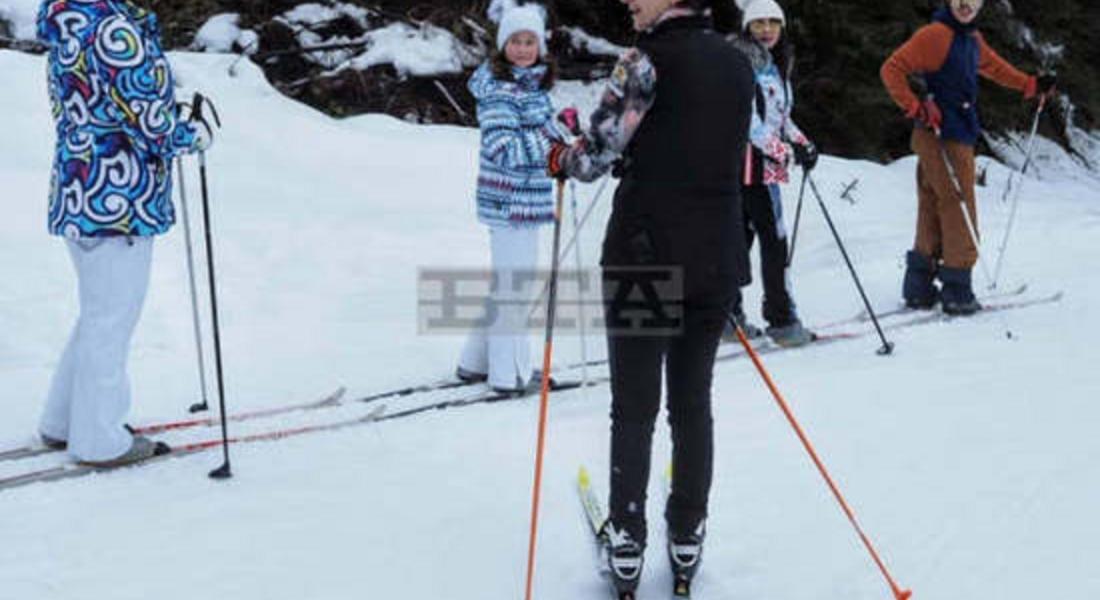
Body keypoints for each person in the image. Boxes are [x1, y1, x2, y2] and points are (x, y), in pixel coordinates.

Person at [549, 0, 753, 594]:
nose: (628, 2)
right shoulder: (738, 61)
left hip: (647, 254)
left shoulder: (642, 63)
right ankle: (687, 530)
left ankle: (630, 535)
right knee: (693, 403)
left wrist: (562, 157)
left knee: (635, 406)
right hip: (716, 256)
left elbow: (597, 153)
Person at [37, 0, 209, 466]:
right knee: (111, 318)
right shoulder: (116, 31)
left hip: (78, 186)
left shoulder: (68, 28)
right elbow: (153, 122)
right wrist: (192, 136)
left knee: (99, 312)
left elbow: (75, 108)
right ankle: (98, 439)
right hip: (120, 195)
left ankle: (63, 420)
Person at [881, 0, 1055, 315]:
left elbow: (994, 67)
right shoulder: (936, 34)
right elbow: (892, 69)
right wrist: (916, 105)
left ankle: (919, 284)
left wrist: (1030, 84)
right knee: (960, 205)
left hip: (950, 131)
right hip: (942, 134)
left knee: (935, 203)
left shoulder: (969, 38)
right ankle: (957, 288)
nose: (965, 4)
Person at [455, 0, 563, 395]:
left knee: (507, 283)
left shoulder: (532, 88)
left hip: (527, 202)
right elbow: (505, 148)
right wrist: (551, 138)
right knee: (514, 287)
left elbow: (544, 134)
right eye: (515, 41)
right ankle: (509, 374)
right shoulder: (500, 92)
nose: (522, 49)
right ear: (503, 46)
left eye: (529, 41)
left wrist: (562, 134)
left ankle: (474, 362)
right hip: (509, 202)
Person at [725, 0, 817, 347]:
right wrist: (784, 151)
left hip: (763, 166)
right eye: (759, 23)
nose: (766, 30)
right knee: (772, 242)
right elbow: (749, 124)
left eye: (773, 23)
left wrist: (802, 142)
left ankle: (729, 314)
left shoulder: (774, 65)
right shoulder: (743, 62)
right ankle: (781, 319)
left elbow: (780, 117)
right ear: (747, 27)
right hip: (749, 165)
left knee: (744, 239)